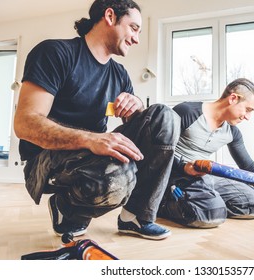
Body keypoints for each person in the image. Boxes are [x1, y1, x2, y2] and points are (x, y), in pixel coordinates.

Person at [14, 0, 180, 240]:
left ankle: (135, 216)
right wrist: (92, 139)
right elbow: (25, 123)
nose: (137, 39)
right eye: (133, 28)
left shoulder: (119, 74)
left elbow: (144, 133)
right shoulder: (55, 53)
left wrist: (137, 107)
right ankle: (68, 209)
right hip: (44, 159)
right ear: (110, 16)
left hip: (91, 157)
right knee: (117, 175)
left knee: (165, 117)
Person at [158, 78, 254, 228]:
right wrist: (183, 167)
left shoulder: (232, 133)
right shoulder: (187, 112)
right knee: (210, 215)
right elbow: (159, 152)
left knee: (253, 204)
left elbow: (249, 168)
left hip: (204, 176)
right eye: (248, 110)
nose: (248, 117)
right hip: (175, 175)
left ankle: (206, 201)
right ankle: (166, 204)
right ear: (233, 98)